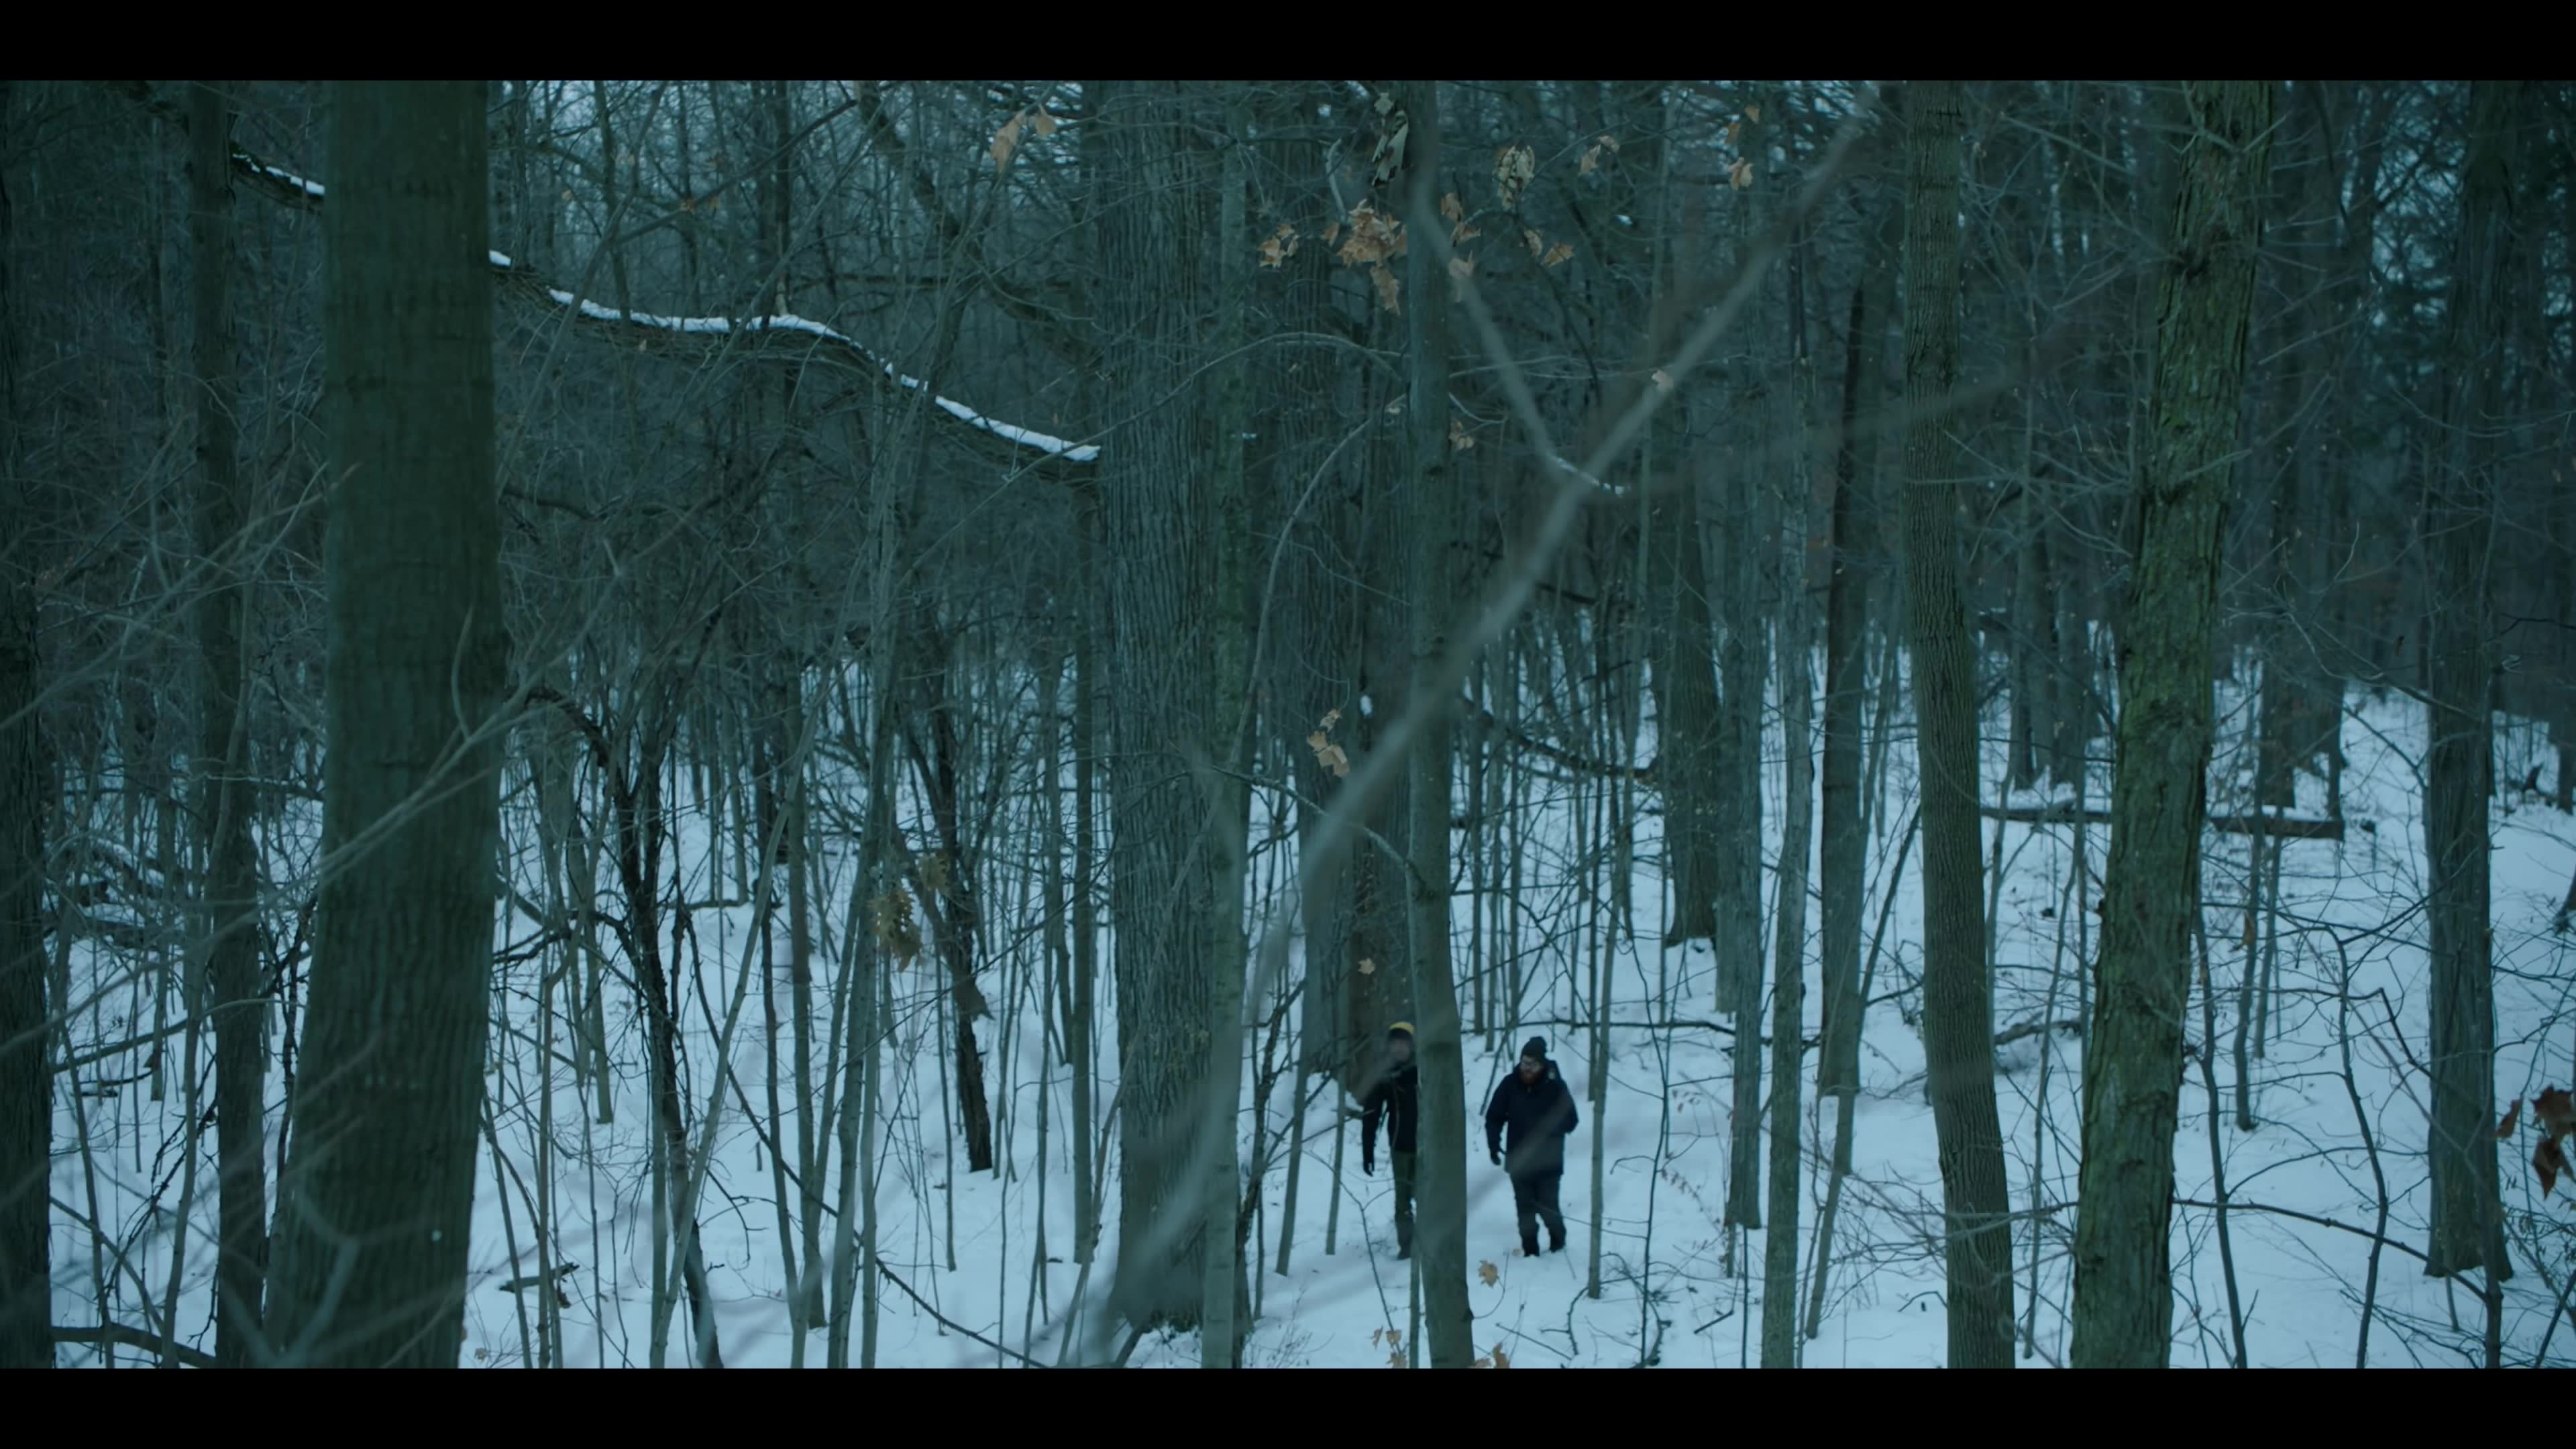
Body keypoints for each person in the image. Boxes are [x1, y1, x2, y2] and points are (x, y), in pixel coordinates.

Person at [1485, 1036, 1578, 1256]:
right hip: (1519, 1161)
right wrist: (1493, 1145)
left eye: (1533, 1064)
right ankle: (1530, 1252)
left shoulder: (1555, 1086)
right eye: (1524, 1063)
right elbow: (1494, 1116)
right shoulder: (1510, 1084)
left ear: (1542, 1065)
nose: (1527, 1068)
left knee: (1548, 1208)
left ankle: (1558, 1246)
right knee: (1525, 1211)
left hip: (1549, 1162)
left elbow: (1571, 1120)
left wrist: (1548, 1128)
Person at [1357, 1022, 1419, 1258]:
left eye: (1404, 1043)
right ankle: (1407, 1248)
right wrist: (1367, 1150)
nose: (1399, 1048)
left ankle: (1431, 1244)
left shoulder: (1426, 1068)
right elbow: (1371, 1115)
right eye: (1395, 1044)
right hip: (1400, 1146)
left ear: (1411, 1045)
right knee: (1403, 1201)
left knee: (1427, 1196)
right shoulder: (1386, 1075)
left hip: (1430, 1146)